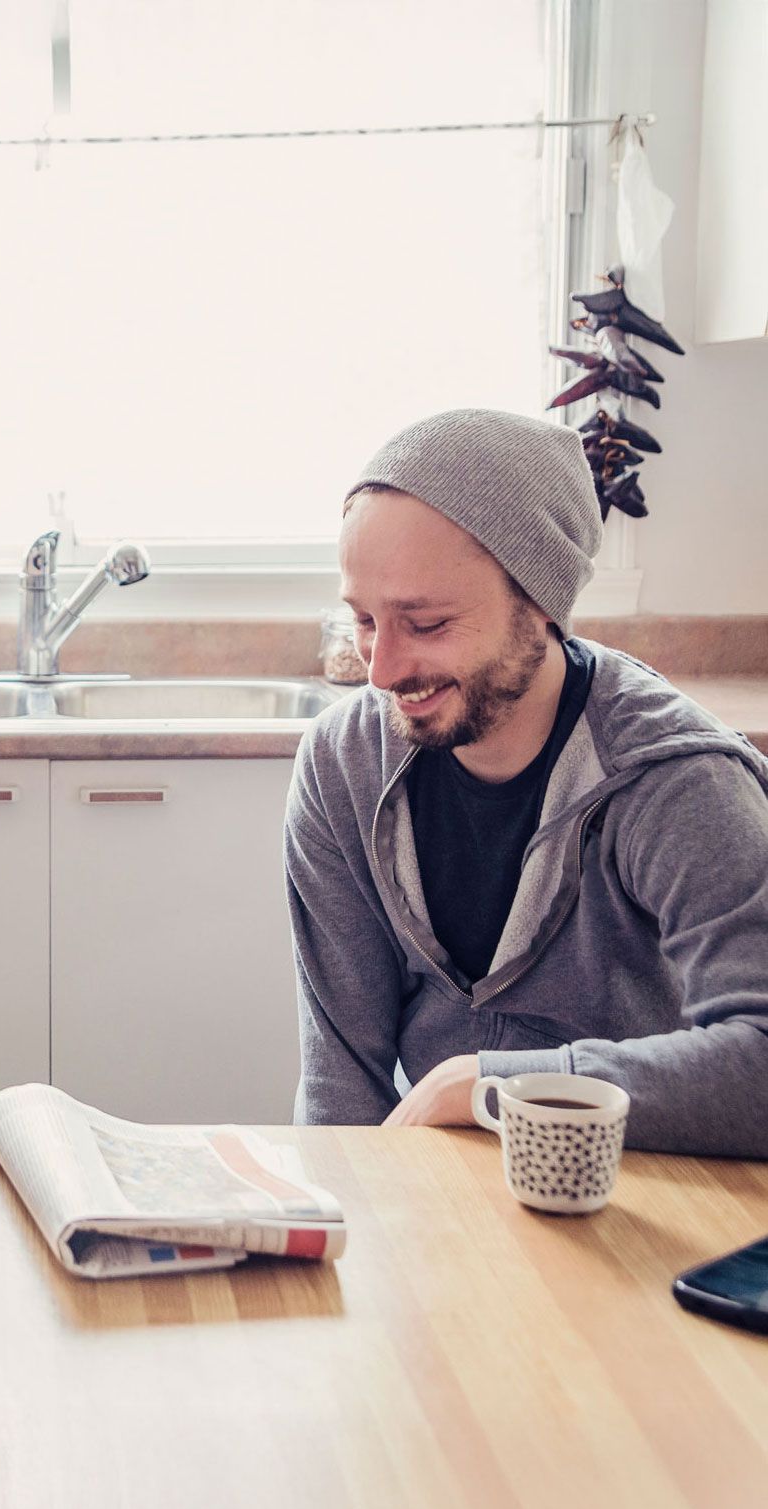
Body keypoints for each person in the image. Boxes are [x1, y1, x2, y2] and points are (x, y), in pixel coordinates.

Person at [285, 407, 768, 1155]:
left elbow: (759, 1063)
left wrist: (502, 1086)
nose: (380, 672)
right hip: (444, 1193)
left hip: (645, 1197)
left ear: (539, 602)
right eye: (365, 621)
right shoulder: (343, 764)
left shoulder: (677, 781)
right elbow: (339, 1078)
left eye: (427, 622)